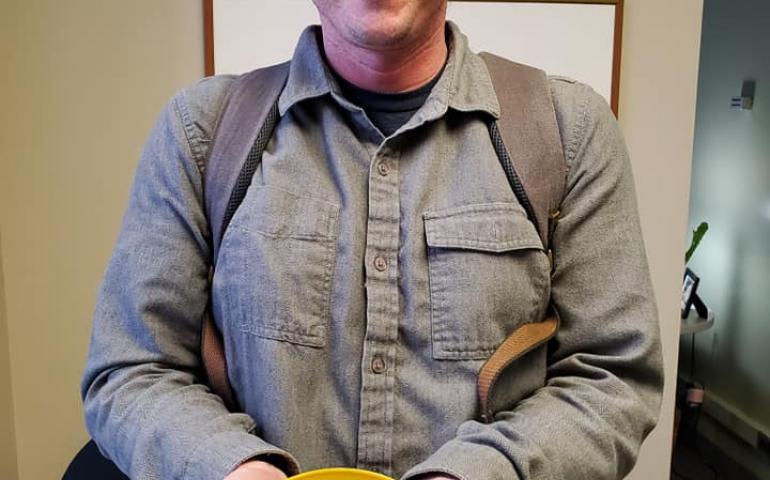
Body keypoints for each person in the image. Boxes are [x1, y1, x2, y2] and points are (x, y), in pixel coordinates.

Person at [81, 1, 664, 479]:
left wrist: (479, 474)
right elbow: (130, 370)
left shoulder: (570, 131)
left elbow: (613, 376)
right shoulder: (200, 132)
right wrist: (229, 467)